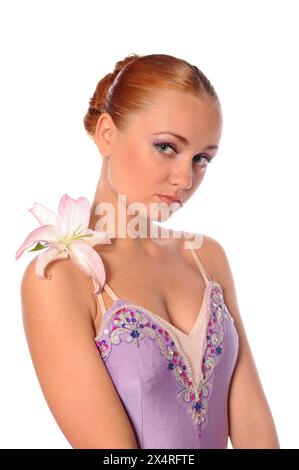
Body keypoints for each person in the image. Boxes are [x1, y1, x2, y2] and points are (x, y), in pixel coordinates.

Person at [20, 53, 280, 449]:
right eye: (166, 147)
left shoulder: (207, 258)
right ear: (107, 134)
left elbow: (253, 421)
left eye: (202, 159)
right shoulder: (60, 278)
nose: (185, 179)